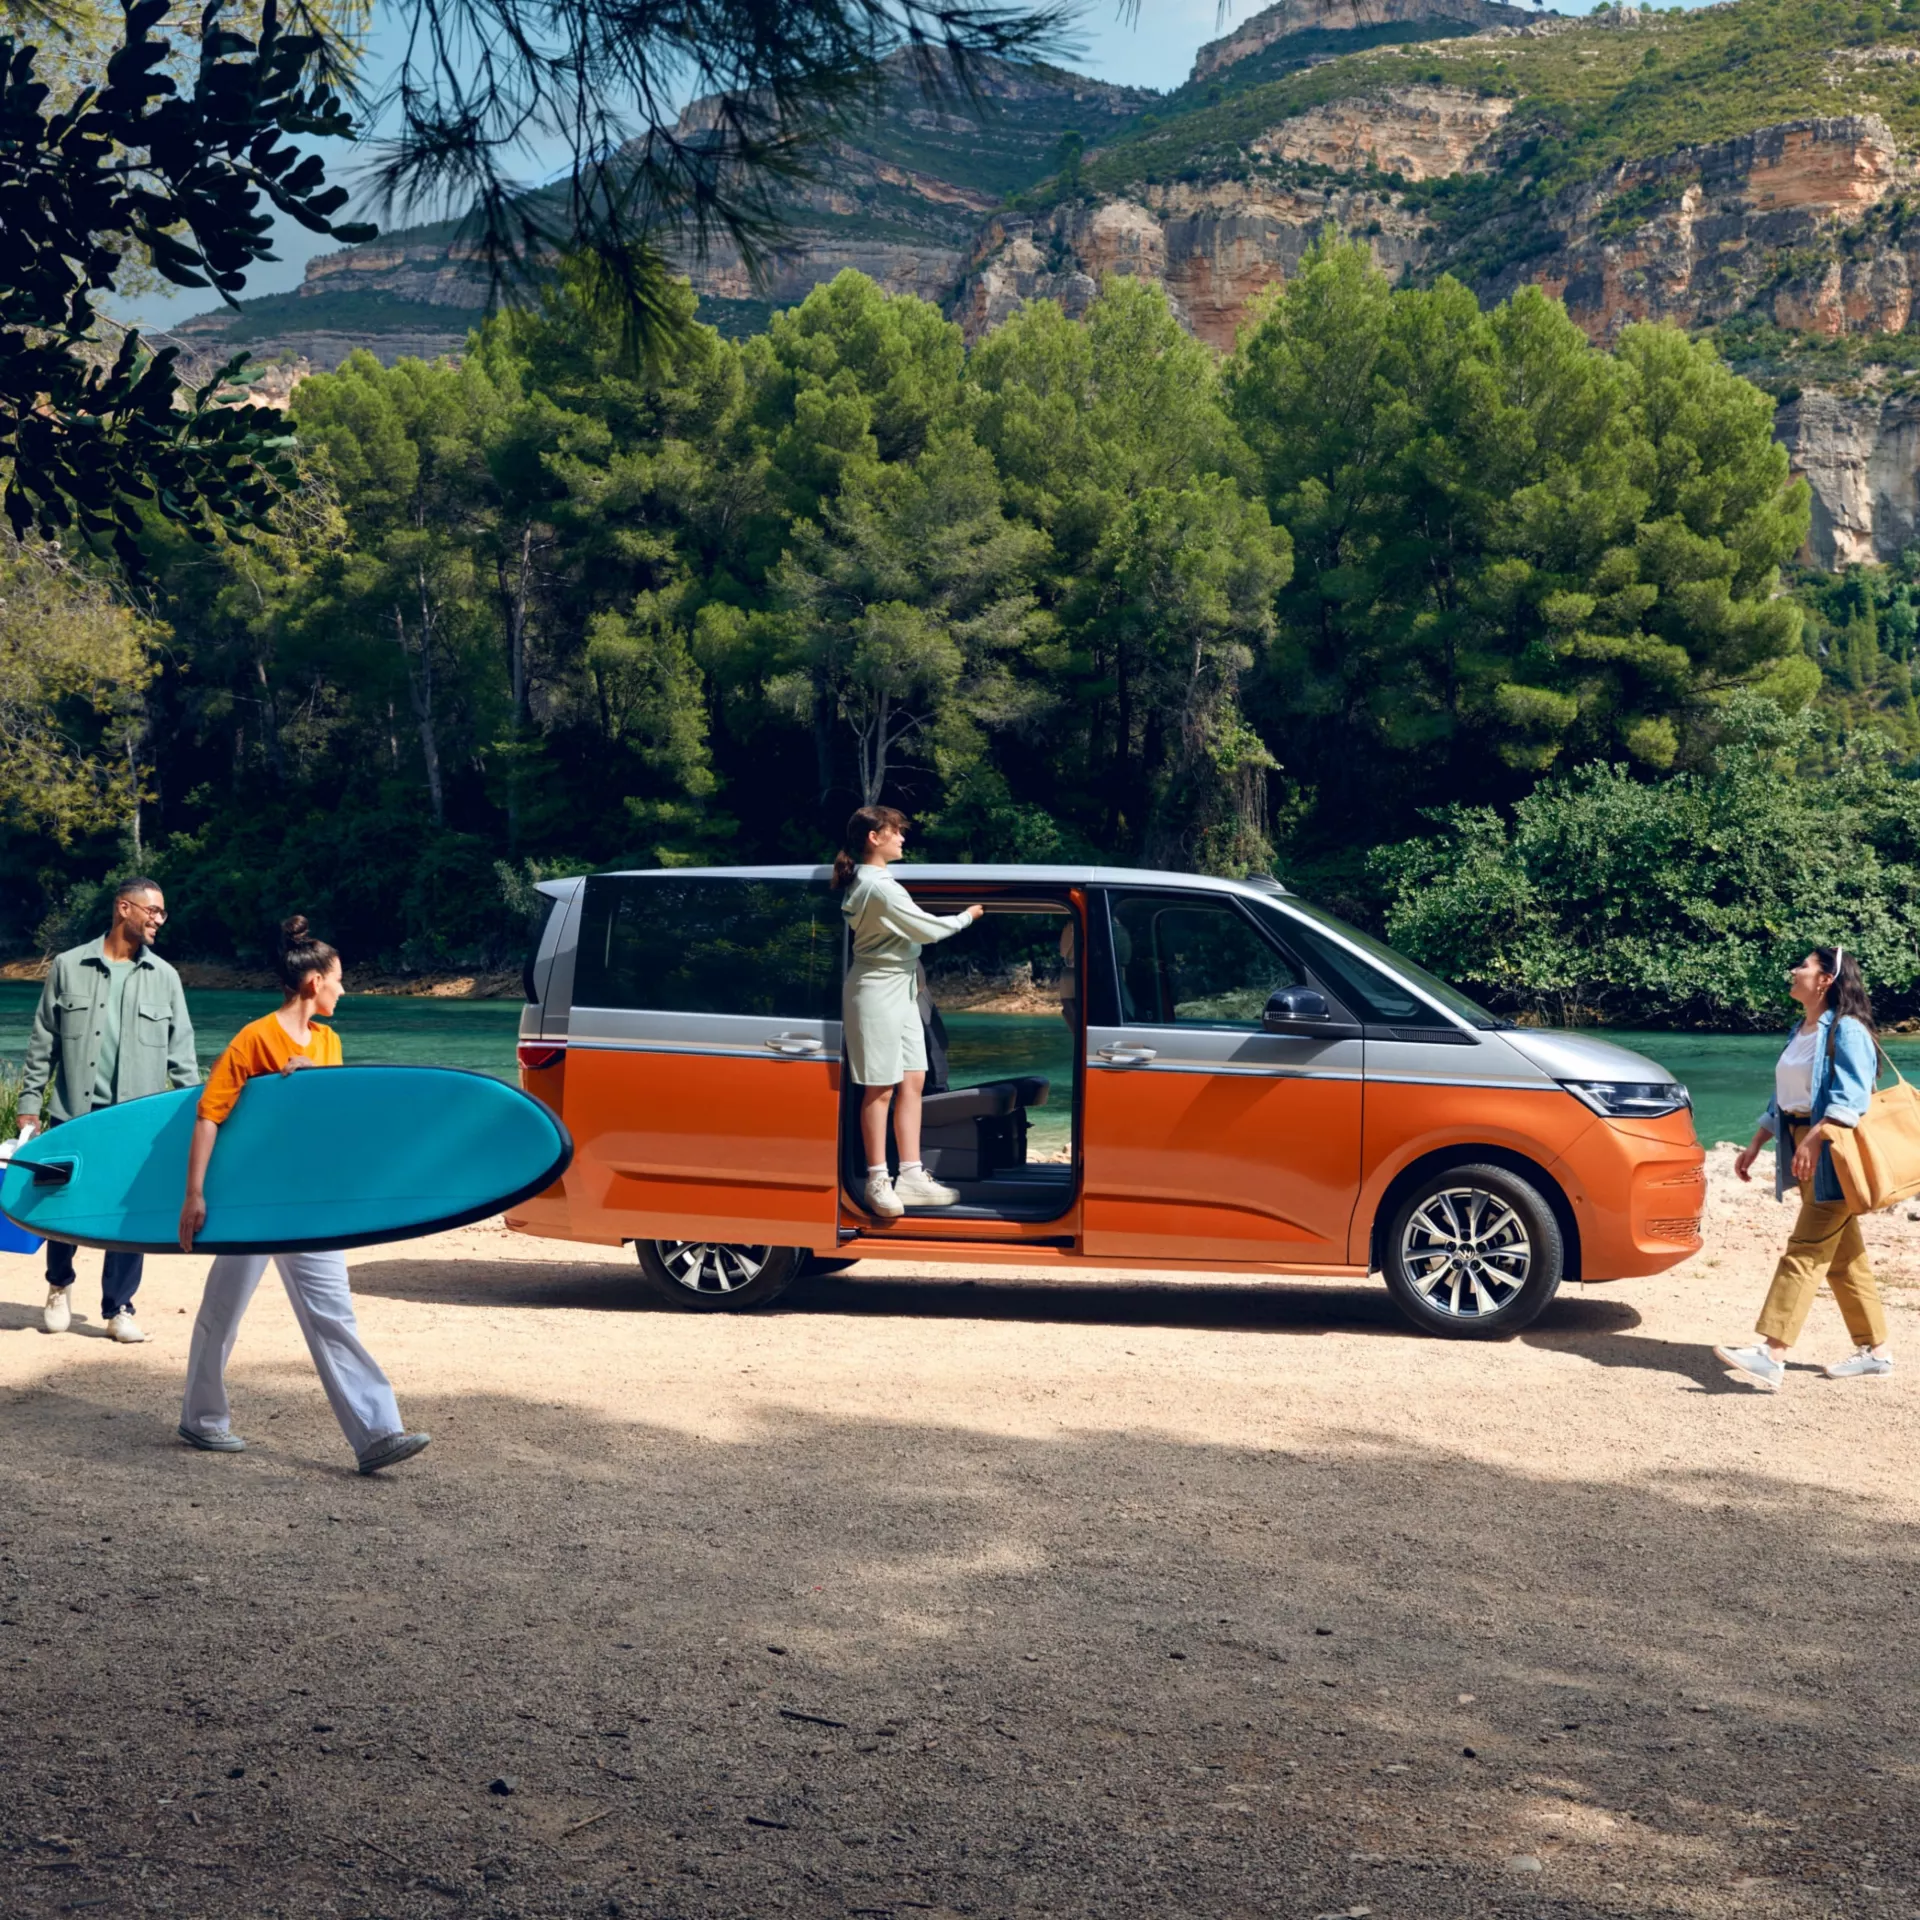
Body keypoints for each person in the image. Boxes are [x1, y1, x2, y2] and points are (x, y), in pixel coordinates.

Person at [175, 916, 430, 1474]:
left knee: (333, 1313)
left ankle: (378, 1433)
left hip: (308, 1202)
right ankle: (202, 1418)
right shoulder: (254, 1038)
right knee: (223, 1309)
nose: (344, 990)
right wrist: (194, 1194)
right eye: (339, 979)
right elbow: (209, 1115)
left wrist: (314, 1076)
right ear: (314, 982)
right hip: (253, 1201)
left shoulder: (328, 1041)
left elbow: (332, 1119)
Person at [17, 876, 198, 1343]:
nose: (160, 920)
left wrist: (194, 1116)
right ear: (124, 908)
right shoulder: (68, 966)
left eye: (162, 912)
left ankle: (119, 1307)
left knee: (128, 1213)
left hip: (136, 1121)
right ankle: (59, 1284)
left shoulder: (166, 977)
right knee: (62, 1205)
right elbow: (42, 1044)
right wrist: (29, 1105)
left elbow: (182, 1057)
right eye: (153, 911)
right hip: (72, 1114)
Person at [1716, 945, 1893, 1389]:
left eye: (1804, 966)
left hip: (1834, 1153)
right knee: (1843, 1259)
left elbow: (1852, 1099)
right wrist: (1757, 1142)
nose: (1794, 970)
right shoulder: (1802, 1029)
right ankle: (1875, 1352)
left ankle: (1772, 1353)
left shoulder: (1847, 1030)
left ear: (1825, 979)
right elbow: (1785, 1095)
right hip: (1803, 1145)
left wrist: (1813, 1140)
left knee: (1806, 1248)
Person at [833, 805, 982, 1219]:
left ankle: (911, 1173)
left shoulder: (877, 883)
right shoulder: (879, 887)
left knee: (913, 1079)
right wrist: (967, 917)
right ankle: (877, 1179)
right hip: (876, 990)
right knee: (880, 1087)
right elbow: (927, 929)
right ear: (874, 838)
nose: (902, 838)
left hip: (901, 988)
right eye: (895, 831)